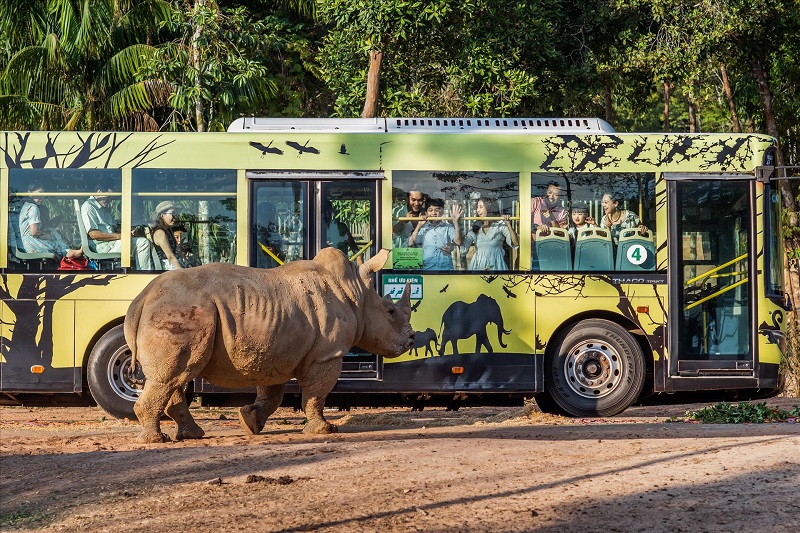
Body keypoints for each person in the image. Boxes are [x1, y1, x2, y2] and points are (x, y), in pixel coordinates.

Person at [81, 182, 155, 270]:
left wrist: (129, 232)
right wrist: (121, 236)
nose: (110, 200)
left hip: (111, 243)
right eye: (109, 196)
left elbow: (112, 229)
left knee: (141, 240)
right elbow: (94, 234)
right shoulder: (88, 206)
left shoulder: (104, 209)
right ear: (99, 192)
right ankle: (144, 275)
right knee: (143, 243)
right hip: (102, 247)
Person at [18, 183, 83, 259]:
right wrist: (47, 235)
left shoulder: (25, 206)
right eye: (40, 193)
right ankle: (68, 252)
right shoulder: (33, 208)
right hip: (33, 244)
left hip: (25, 244)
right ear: (29, 193)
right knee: (55, 241)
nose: (42, 197)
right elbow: (34, 232)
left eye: (44, 194)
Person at [461, 197, 519, 270]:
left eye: (481, 207)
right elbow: (463, 249)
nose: (478, 210)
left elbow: (515, 243)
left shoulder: (499, 225)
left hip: (497, 265)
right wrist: (457, 224)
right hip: (478, 266)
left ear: (489, 209)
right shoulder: (475, 228)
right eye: (477, 207)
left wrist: (508, 224)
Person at [407, 198, 463, 270]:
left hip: (446, 269)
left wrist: (456, 222)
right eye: (430, 210)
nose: (433, 213)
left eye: (437, 210)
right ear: (426, 213)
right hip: (427, 270)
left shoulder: (448, 227)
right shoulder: (422, 228)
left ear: (442, 212)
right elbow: (410, 243)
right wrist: (419, 225)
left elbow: (458, 241)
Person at [150, 201, 187, 270]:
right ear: (162, 215)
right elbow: (170, 256)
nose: (175, 217)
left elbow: (176, 252)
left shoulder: (169, 230)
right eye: (172, 213)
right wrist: (182, 273)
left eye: (175, 214)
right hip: (167, 268)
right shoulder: (160, 233)